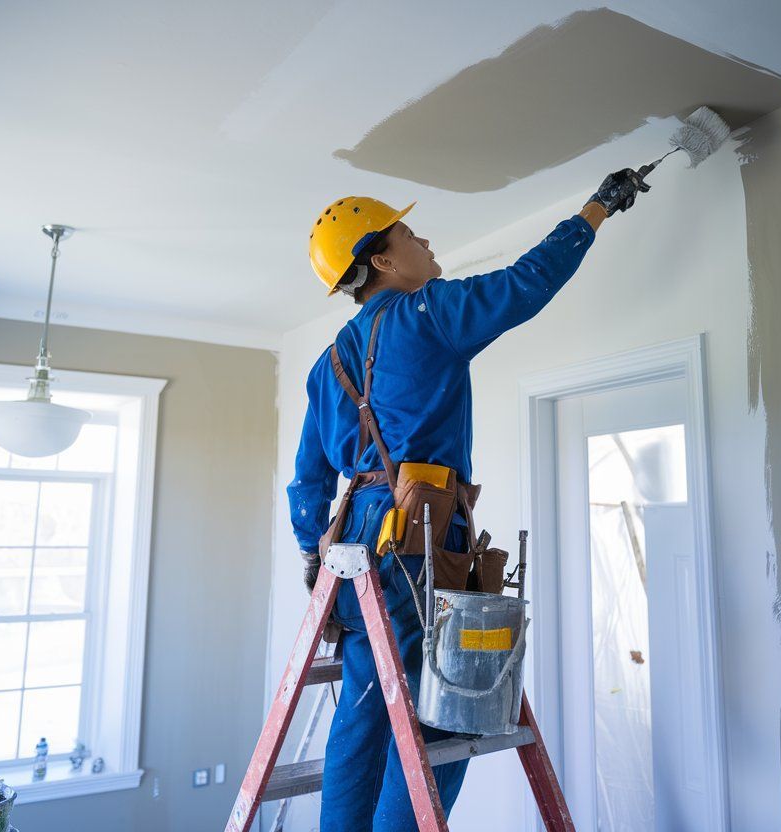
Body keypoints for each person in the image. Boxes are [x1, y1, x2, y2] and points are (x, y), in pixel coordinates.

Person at [287, 168, 647, 830]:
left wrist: (315, 551)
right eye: (410, 233)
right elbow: (525, 284)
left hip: (353, 552)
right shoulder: (424, 316)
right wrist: (598, 208)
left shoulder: (326, 361)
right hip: (420, 534)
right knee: (448, 713)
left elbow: (308, 481)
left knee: (365, 707)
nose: (425, 240)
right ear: (383, 259)